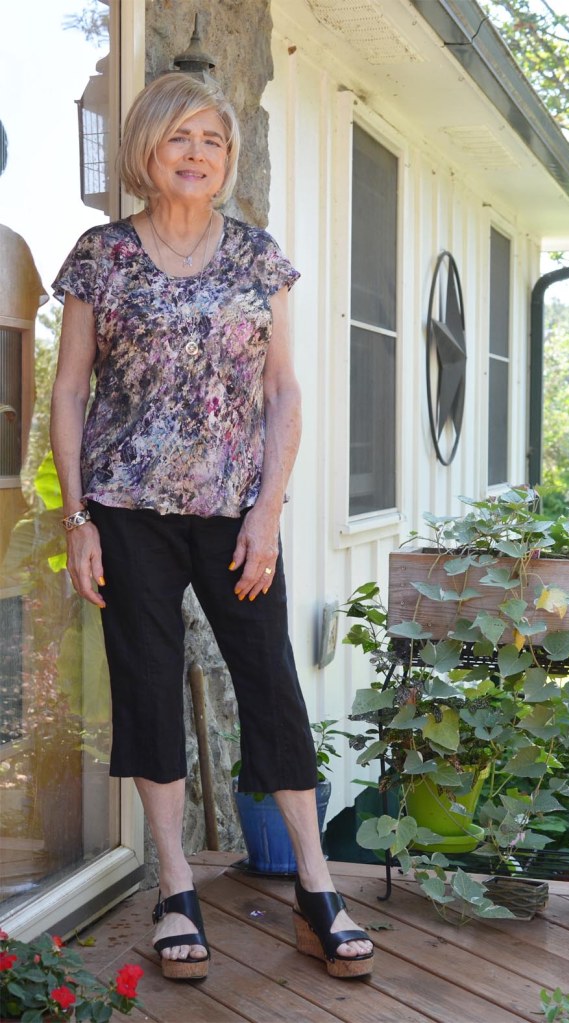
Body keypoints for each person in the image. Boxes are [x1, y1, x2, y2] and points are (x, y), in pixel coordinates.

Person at [50, 72, 373, 982]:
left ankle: (316, 886)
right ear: (146, 149)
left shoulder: (258, 256)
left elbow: (284, 392)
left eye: (214, 141)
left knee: (271, 684)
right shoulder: (102, 255)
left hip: (234, 513)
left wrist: (267, 511)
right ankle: (175, 888)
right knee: (149, 688)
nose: (198, 155)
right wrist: (76, 517)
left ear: (228, 159)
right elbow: (68, 389)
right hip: (127, 512)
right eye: (180, 137)